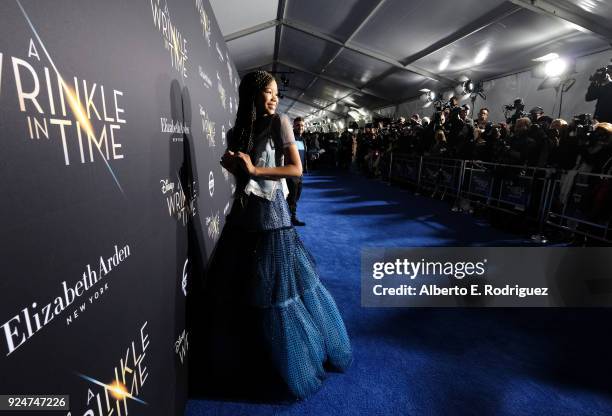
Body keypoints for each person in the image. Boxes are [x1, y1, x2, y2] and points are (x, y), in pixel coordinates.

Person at [208, 71, 352, 400]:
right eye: (268, 92)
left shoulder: (280, 123)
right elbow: (245, 181)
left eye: (276, 93)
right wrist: (237, 169)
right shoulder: (235, 132)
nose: (275, 98)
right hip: (243, 217)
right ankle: (254, 359)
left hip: (273, 218)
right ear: (251, 95)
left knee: (277, 291)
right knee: (248, 287)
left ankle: (289, 363)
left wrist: (255, 169)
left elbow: (296, 169)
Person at [287, 117, 307, 226]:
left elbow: (302, 156)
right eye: (298, 125)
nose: (300, 127)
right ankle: (292, 217)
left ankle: (289, 215)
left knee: (297, 195)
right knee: (292, 196)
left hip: (300, 173)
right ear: (293, 126)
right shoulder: (291, 139)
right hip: (291, 172)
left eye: (302, 125)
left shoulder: (302, 140)